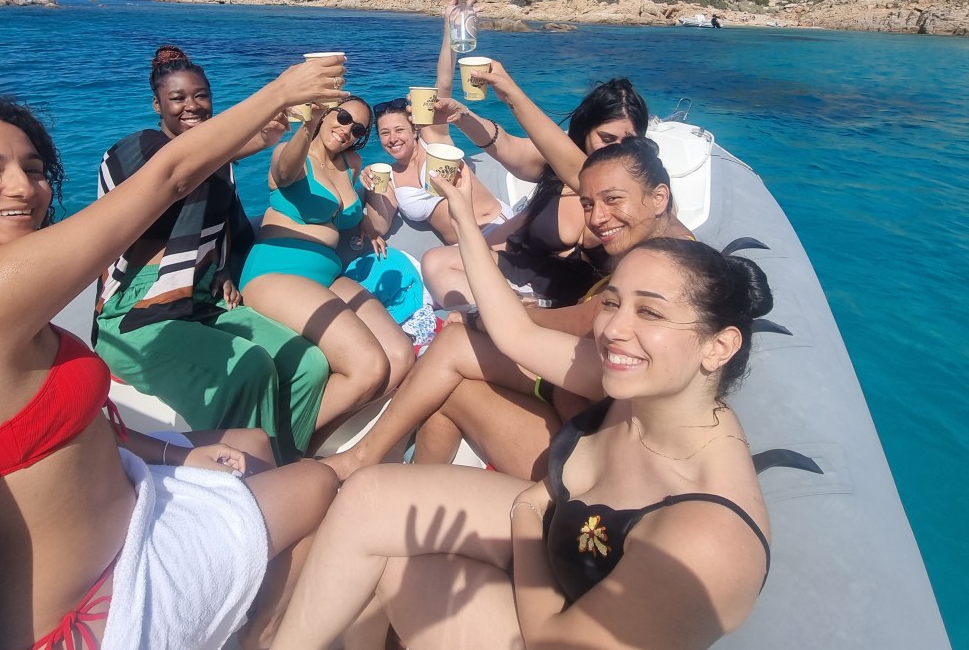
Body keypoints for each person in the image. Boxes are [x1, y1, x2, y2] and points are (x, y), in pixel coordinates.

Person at [0, 68, 342, 650]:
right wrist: (282, 91)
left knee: (250, 443)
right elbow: (169, 176)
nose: (23, 189)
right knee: (322, 484)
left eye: (32, 169)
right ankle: (264, 635)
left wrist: (160, 450)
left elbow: (49, 440)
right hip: (94, 616)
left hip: (101, 536)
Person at [270, 222, 773, 650]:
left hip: (554, 628)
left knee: (397, 564)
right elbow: (518, 335)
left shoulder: (709, 539)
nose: (614, 329)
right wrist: (463, 214)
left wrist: (527, 517)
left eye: (650, 312)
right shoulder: (642, 388)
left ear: (719, 346)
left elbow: (554, 642)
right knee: (369, 497)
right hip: (558, 552)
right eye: (612, 302)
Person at [325, 137, 693, 482]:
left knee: (453, 362)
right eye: (588, 204)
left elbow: (574, 322)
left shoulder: (664, 269)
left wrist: (491, 316)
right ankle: (401, 480)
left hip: (602, 451)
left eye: (613, 200)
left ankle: (377, 464)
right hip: (581, 394)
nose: (597, 218)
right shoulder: (657, 249)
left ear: (659, 197)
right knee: (451, 357)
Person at [94, 45, 330, 463]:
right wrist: (272, 99)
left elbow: (216, 210)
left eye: (201, 95)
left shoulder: (218, 162)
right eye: (178, 98)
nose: (192, 106)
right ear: (156, 105)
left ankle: (278, 463)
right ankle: (250, 481)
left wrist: (219, 269)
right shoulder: (133, 150)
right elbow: (177, 175)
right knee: (250, 368)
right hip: (134, 316)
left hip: (201, 300)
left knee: (308, 362)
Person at [240, 95, 415, 445]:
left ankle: (312, 443)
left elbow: (364, 217)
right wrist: (308, 123)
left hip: (328, 275)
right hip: (276, 271)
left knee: (400, 356)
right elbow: (284, 172)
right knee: (369, 365)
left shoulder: (351, 163)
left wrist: (365, 219)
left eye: (359, 128)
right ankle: (275, 449)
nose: (348, 129)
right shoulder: (293, 155)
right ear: (326, 114)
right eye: (343, 117)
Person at [422, 67, 649, 312]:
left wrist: (511, 94)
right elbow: (505, 145)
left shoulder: (633, 191)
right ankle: (500, 312)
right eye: (606, 139)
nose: (614, 149)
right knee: (435, 262)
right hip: (523, 270)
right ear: (585, 132)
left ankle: (504, 319)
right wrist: (461, 115)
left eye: (628, 141)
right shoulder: (556, 165)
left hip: (563, 298)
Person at [363, 0, 513, 246]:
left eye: (399, 130)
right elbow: (380, 224)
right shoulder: (388, 177)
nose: (393, 139)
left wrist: (450, 25)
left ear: (414, 130)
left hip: (496, 227)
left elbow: (443, 83)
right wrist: (369, 189)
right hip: (461, 249)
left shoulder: (433, 141)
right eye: (384, 133)